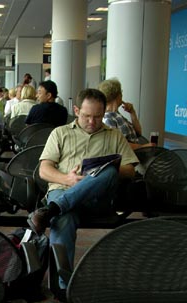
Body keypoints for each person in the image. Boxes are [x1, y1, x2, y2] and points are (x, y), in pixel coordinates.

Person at [27, 88, 138, 288]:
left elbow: (130, 171)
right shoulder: (60, 133)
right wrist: (68, 179)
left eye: (98, 117)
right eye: (87, 116)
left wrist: (102, 170)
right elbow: (44, 170)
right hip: (63, 188)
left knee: (110, 171)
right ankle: (63, 286)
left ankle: (53, 209)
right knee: (64, 218)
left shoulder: (114, 135)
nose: (92, 122)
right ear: (76, 110)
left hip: (97, 199)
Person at [98, 77, 152, 149]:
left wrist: (132, 112)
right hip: (130, 154)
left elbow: (138, 133)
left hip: (136, 152)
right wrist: (143, 147)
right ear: (118, 95)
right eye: (121, 92)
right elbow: (116, 144)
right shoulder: (108, 118)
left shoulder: (116, 114)